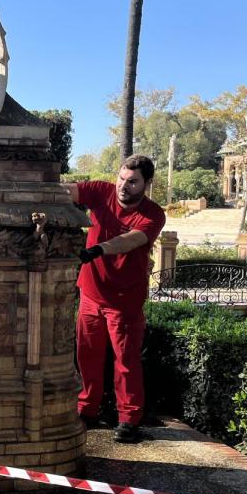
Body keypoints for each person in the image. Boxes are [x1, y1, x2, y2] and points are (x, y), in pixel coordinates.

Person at [61, 155, 166, 443]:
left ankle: (129, 419)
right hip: (91, 294)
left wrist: (98, 250)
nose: (124, 186)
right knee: (87, 354)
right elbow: (67, 191)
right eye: (122, 178)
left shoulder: (153, 214)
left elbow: (131, 240)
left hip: (124, 300)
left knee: (126, 360)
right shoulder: (101, 191)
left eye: (133, 182)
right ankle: (88, 409)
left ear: (146, 183)